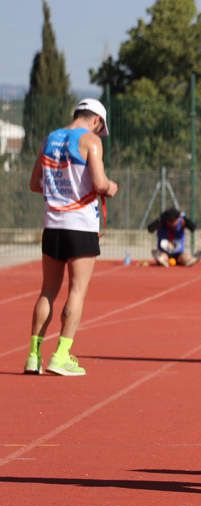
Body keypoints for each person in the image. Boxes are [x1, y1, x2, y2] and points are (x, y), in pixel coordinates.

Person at [24, 98, 119, 376]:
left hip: (52, 225)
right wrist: (111, 187)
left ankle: (33, 356)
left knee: (47, 291)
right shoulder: (91, 141)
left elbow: (34, 183)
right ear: (97, 121)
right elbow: (100, 183)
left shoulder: (49, 139)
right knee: (76, 290)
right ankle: (62, 354)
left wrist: (57, 192)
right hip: (80, 226)